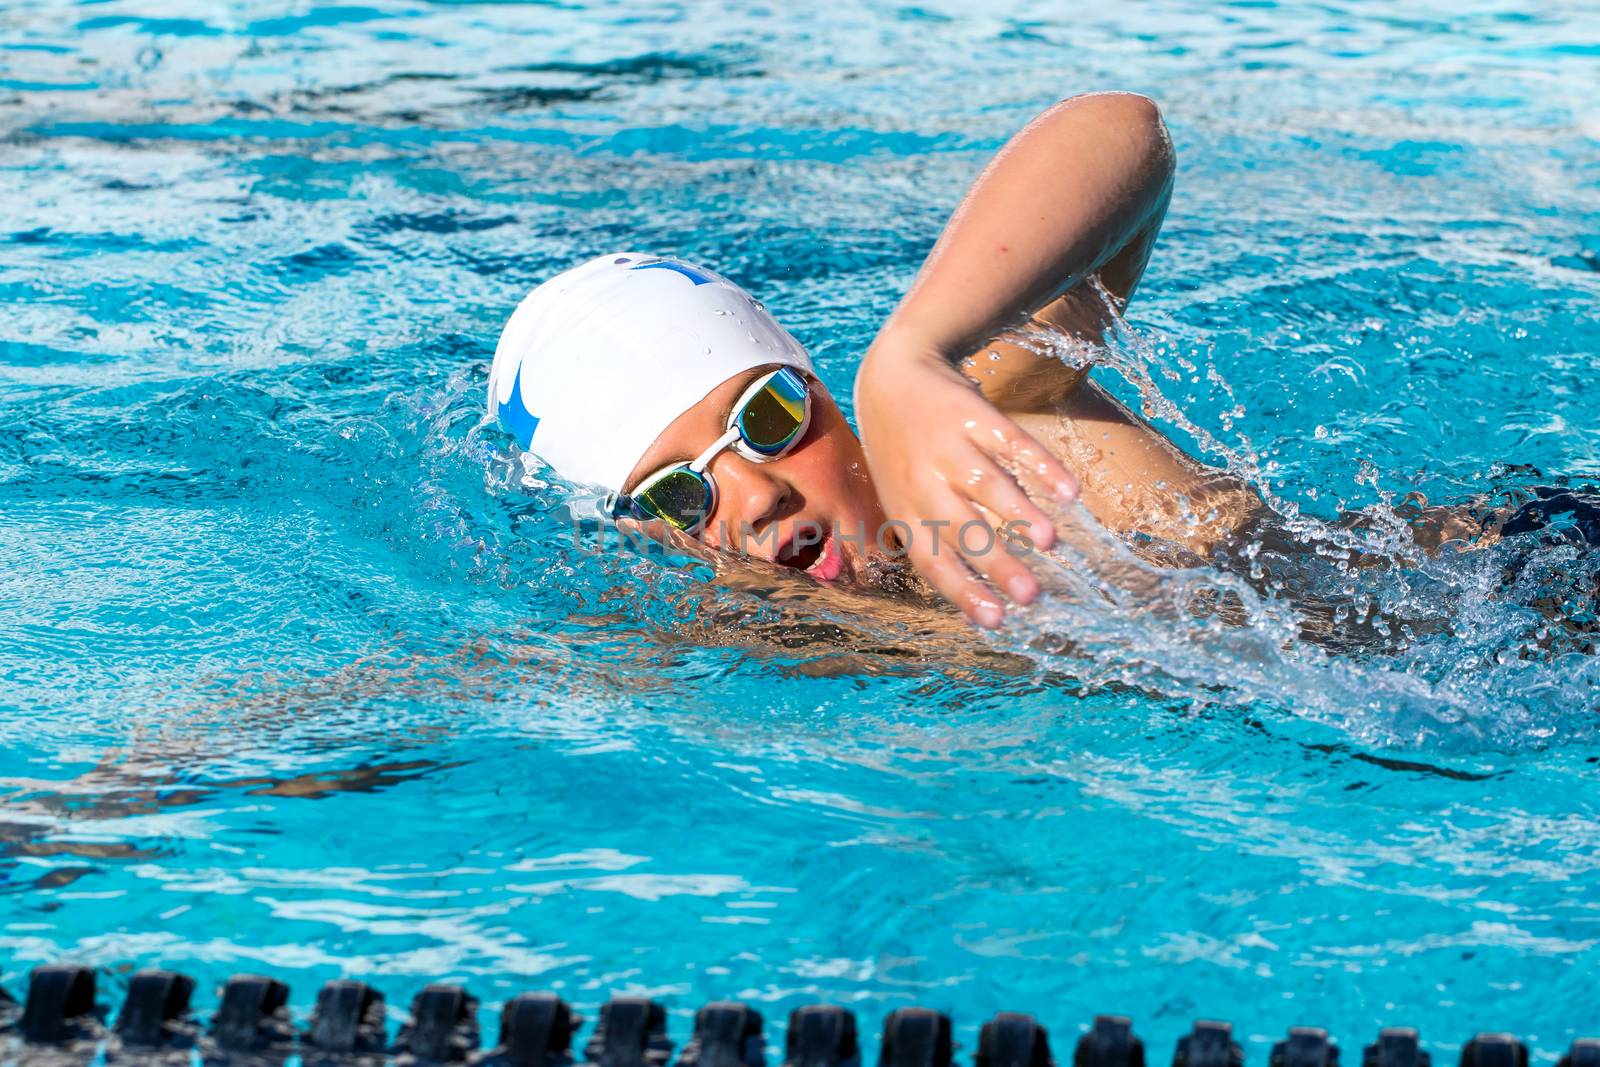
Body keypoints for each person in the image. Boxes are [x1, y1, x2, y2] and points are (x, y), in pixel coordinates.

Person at [485, 91, 1592, 633]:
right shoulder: (762, 635)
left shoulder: (987, 428)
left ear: (819, 386)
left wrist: (915, 355)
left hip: (1538, 578)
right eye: (680, 492)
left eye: (768, 419)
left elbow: (1125, 135)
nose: (756, 490)